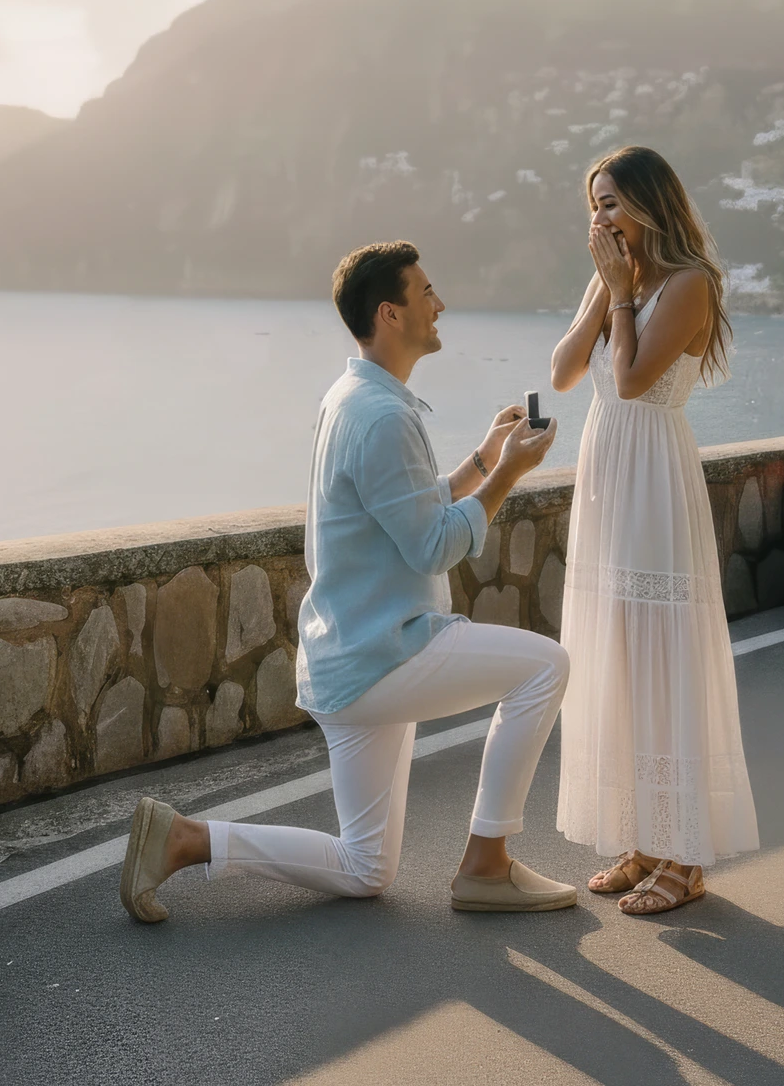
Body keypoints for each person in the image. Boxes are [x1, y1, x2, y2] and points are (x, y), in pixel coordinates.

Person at [119, 240, 575, 920]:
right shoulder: (383, 416)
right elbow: (430, 547)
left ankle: (186, 840)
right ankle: (487, 862)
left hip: (348, 659)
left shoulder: (356, 397)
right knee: (546, 667)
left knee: (366, 869)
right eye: (426, 293)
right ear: (390, 314)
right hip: (386, 653)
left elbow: (409, 511)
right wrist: (509, 475)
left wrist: (485, 456)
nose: (439, 303)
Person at [550, 146, 758, 915]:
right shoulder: (618, 282)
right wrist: (604, 293)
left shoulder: (688, 284)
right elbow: (568, 373)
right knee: (620, 656)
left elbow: (635, 382)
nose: (599, 218)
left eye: (610, 203)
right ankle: (643, 836)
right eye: (593, 205)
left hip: (653, 477)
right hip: (607, 476)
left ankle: (686, 855)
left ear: (647, 203)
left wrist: (619, 296)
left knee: (663, 659)